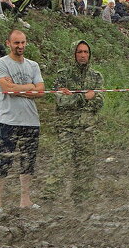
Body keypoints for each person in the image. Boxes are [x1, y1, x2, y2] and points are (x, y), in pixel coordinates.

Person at [44, 40, 104, 204]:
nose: (83, 55)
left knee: (86, 168)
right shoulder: (63, 75)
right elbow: (61, 101)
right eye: (79, 52)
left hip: (87, 128)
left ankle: (81, 201)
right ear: (73, 54)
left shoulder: (96, 76)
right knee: (59, 165)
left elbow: (99, 102)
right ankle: (49, 199)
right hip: (66, 128)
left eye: (86, 52)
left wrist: (74, 98)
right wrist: (84, 97)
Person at [0, 29, 45, 212]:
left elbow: (41, 91)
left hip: (31, 121)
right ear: (8, 43)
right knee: (4, 161)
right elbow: (7, 90)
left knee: (28, 162)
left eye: (22, 42)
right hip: (8, 120)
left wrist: (19, 87)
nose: (20, 46)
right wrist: (29, 87)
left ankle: (25, 200)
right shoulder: (0, 64)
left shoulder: (33, 66)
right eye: (16, 43)